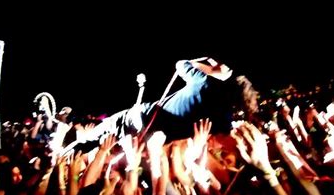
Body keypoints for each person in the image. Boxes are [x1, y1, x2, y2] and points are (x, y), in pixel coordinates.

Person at [92, 57, 259, 143]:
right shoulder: (224, 120)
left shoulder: (205, 83)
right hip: (152, 140)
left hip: (141, 117)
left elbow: (181, 65)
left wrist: (213, 70)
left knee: (92, 137)